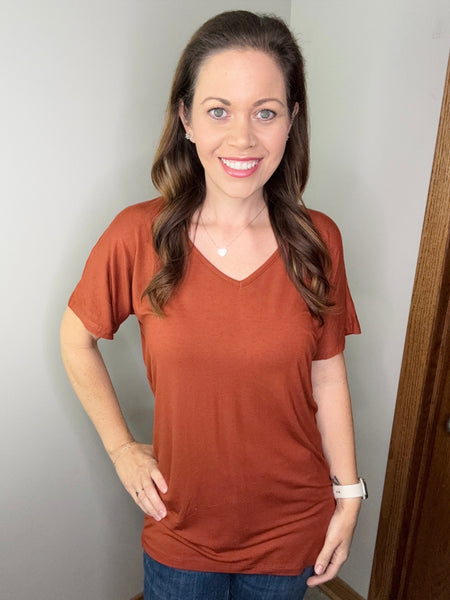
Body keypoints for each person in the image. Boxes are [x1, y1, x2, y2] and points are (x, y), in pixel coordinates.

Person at [60, 10, 365, 600]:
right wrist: (121, 449)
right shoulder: (138, 235)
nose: (243, 138)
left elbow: (327, 374)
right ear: (186, 119)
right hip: (181, 532)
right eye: (218, 110)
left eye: (266, 112)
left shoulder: (319, 240)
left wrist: (349, 497)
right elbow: (75, 339)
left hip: (291, 530)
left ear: (291, 120)